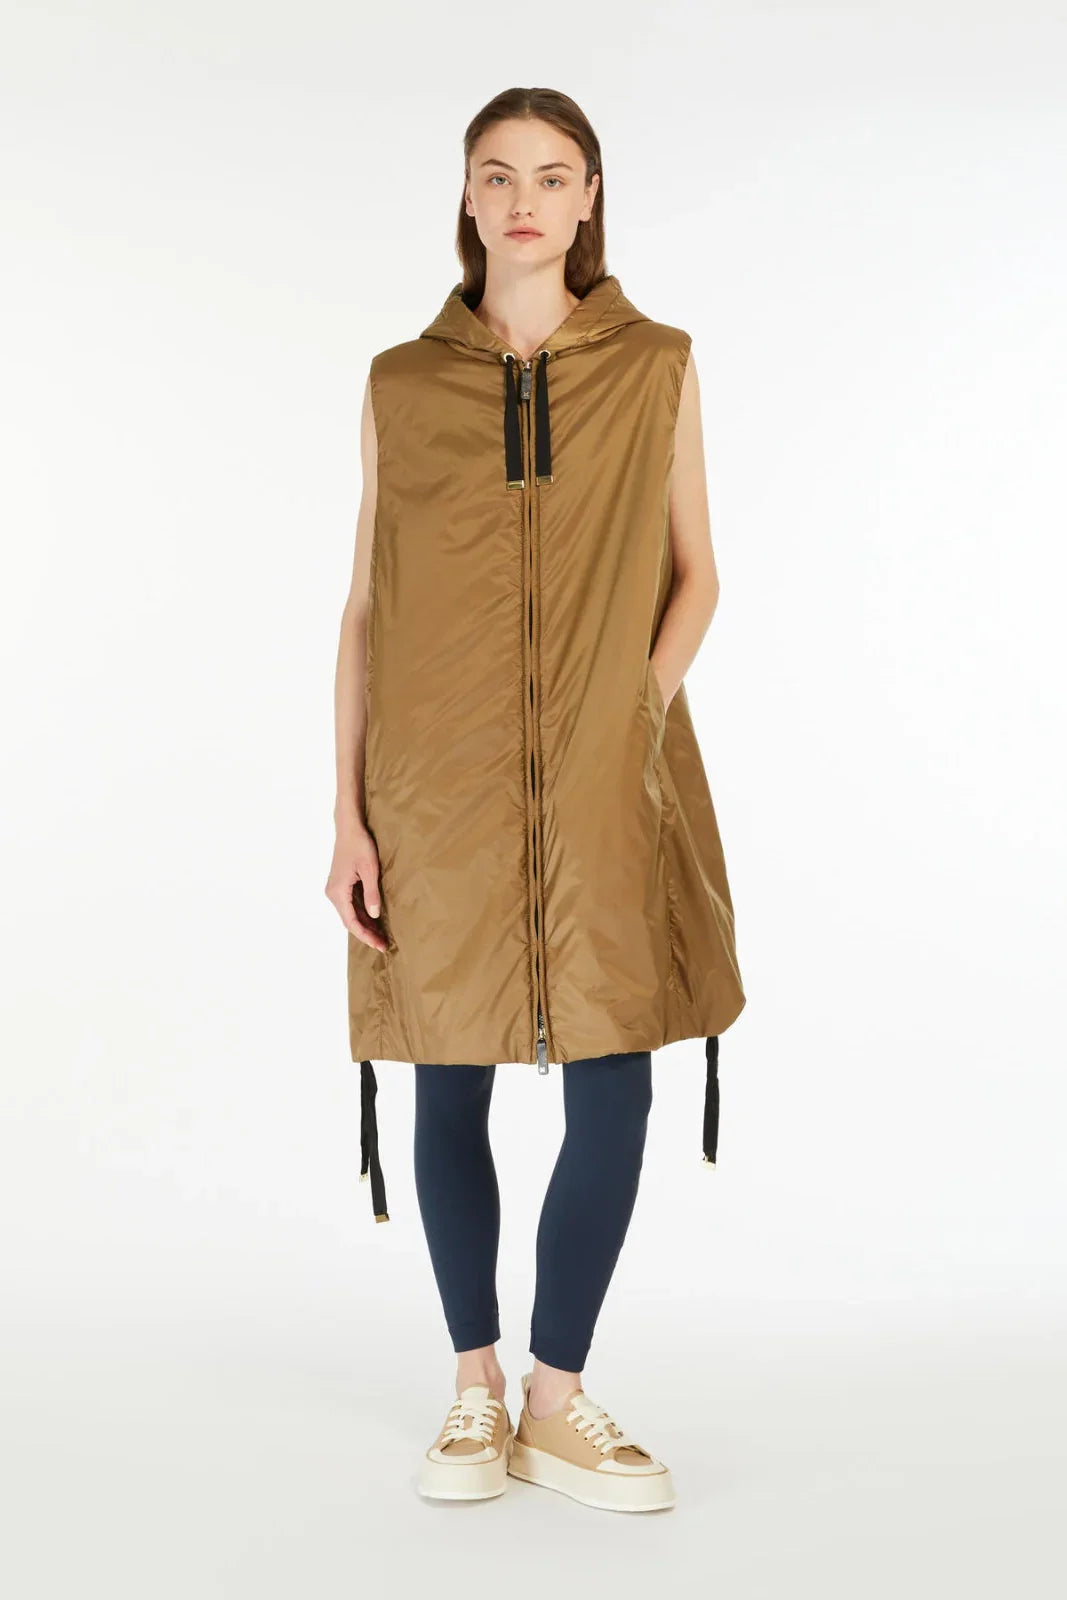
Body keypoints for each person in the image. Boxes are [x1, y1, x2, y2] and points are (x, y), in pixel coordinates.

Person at [325, 86, 745, 1512]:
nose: (523, 200)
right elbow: (367, 607)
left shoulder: (657, 364)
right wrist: (348, 816)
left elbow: (699, 574)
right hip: (431, 790)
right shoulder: (400, 383)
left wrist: (633, 711)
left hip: (609, 778)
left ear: (589, 197)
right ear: (466, 196)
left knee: (613, 1070)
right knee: (447, 1067)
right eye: (497, 175)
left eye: (552, 176)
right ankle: (475, 1388)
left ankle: (557, 1400)